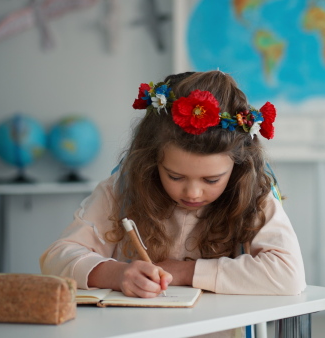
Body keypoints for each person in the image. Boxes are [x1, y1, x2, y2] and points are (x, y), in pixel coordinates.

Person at [40, 70, 306, 312]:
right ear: (152, 160)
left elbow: (289, 274)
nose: (192, 193)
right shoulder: (122, 189)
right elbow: (56, 259)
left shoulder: (253, 194)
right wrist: (115, 274)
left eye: (211, 180)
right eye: (175, 176)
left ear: (237, 168)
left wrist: (185, 271)